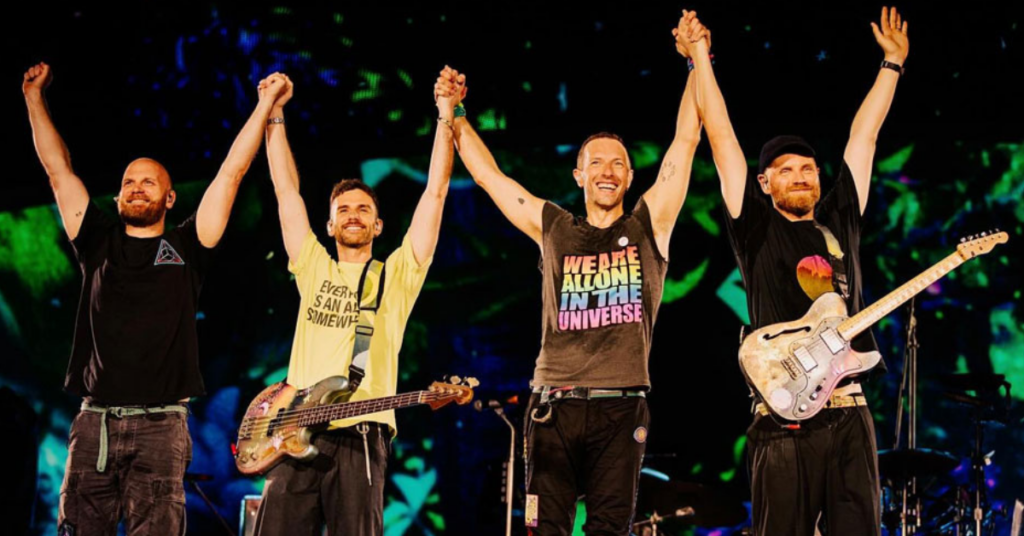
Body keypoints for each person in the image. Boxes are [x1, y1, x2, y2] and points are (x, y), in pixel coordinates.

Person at [436, 11, 705, 533]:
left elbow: (685, 143)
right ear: (579, 174)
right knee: (547, 528)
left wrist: (696, 60)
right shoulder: (555, 227)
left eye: (618, 163)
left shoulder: (651, 225)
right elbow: (491, 179)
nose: (608, 170)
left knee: (610, 527)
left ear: (630, 175)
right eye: (596, 163)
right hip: (553, 407)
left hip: (622, 407)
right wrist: (454, 112)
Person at [23, 62, 288, 535]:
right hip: (95, 425)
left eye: (148, 182)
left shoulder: (188, 246)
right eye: (128, 182)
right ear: (119, 198)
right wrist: (33, 98)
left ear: (168, 198)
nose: (135, 187)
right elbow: (57, 170)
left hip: (162, 426)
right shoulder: (96, 240)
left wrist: (265, 105)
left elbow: (231, 173)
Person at [687, 7, 910, 534]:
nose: (800, 176)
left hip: (849, 411)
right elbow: (720, 138)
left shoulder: (839, 220)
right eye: (785, 171)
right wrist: (700, 57)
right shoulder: (756, 228)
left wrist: (892, 64)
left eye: (807, 168)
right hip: (782, 418)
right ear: (765, 184)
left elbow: (864, 137)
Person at [253, 70, 455, 535]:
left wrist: (446, 117)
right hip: (292, 435)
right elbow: (286, 191)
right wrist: (275, 115)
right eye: (343, 209)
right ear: (328, 225)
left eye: (363, 208)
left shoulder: (397, 276)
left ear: (379, 226)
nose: (353, 215)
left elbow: (435, 193)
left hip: (361, 434)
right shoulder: (312, 265)